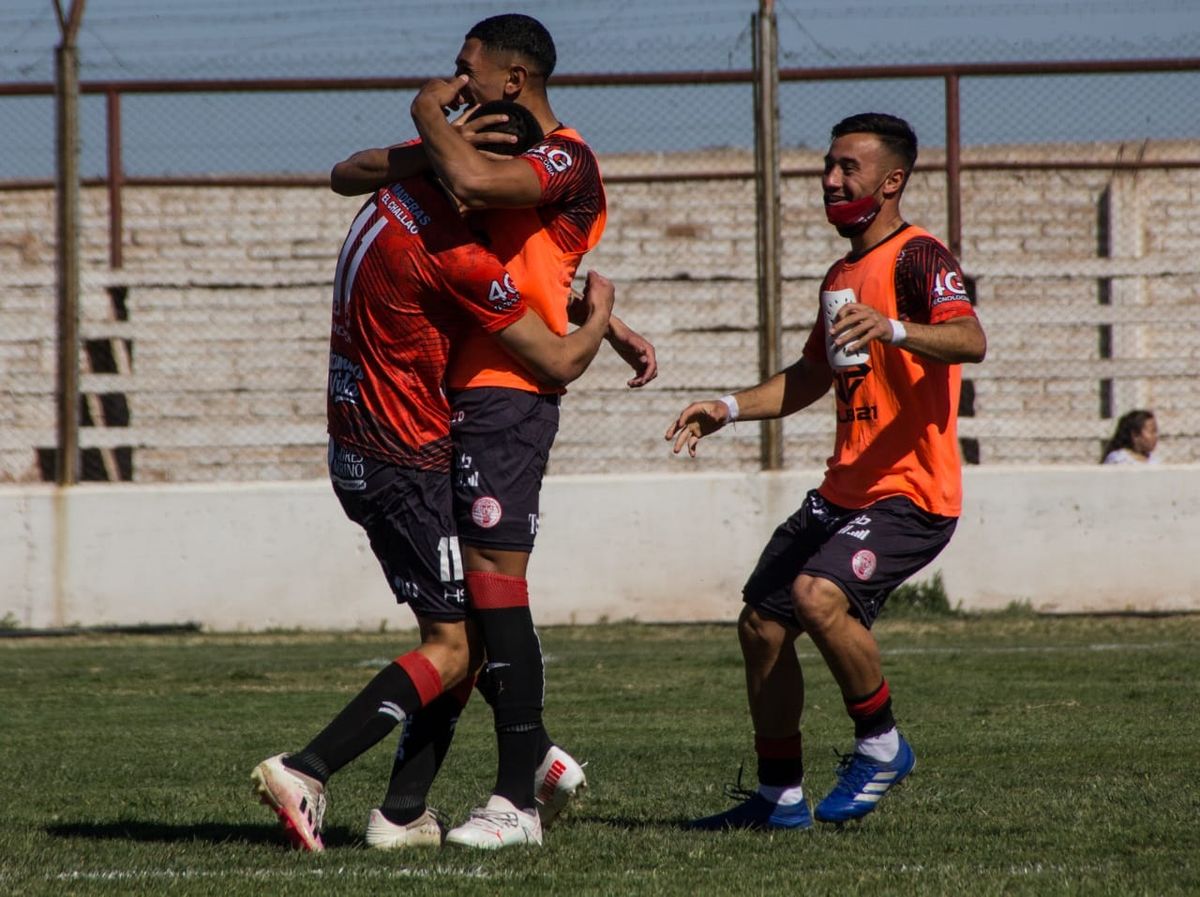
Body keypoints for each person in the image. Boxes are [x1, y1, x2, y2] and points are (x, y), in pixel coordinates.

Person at [250, 101, 616, 852]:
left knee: (466, 633)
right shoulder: (457, 253)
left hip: (357, 447)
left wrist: (428, 123)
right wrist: (602, 316)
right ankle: (308, 769)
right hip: (405, 458)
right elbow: (556, 360)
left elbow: (347, 170)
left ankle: (407, 811)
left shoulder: (392, 195)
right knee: (454, 645)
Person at [329, 13, 657, 849]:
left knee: (496, 592)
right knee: (474, 608)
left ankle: (516, 801)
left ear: (513, 80)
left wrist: (425, 111)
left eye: (465, 66)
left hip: (512, 391)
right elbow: (352, 173)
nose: (454, 80)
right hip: (465, 391)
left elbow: (476, 191)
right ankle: (479, 783)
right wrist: (429, 135)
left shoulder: (562, 156)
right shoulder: (479, 143)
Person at [666, 112, 987, 831]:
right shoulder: (841, 276)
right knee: (762, 624)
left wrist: (893, 327)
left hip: (912, 493)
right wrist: (727, 407)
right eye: (828, 166)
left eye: (848, 168)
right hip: (844, 491)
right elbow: (814, 374)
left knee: (816, 595)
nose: (831, 180)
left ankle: (882, 744)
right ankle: (779, 797)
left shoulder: (919, 256)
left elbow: (970, 338)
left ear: (891, 181)